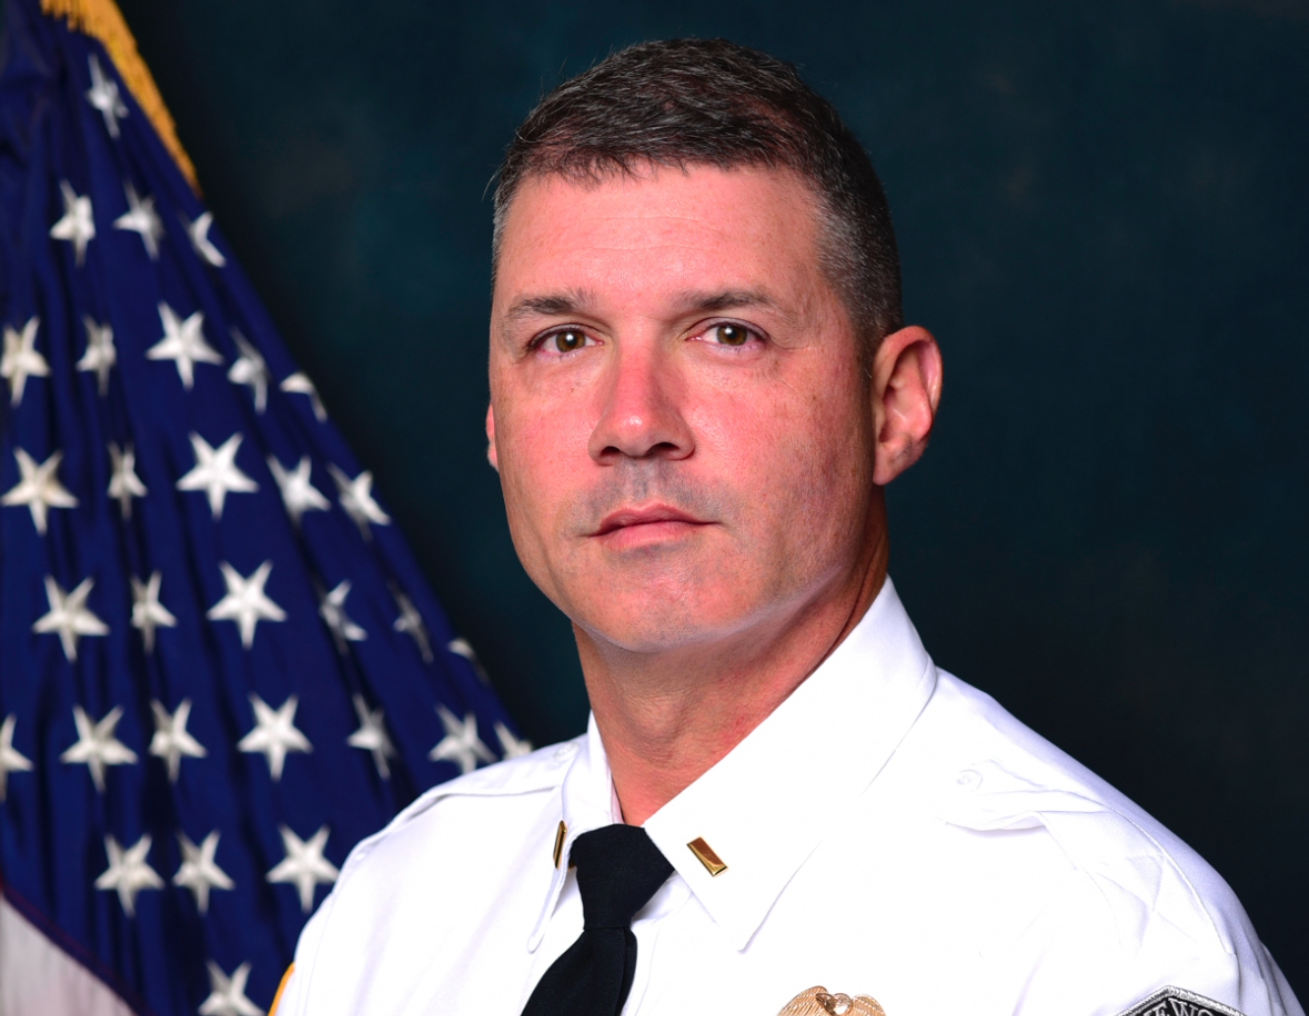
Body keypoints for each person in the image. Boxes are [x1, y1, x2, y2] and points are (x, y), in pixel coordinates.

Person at [272, 38, 1302, 1016]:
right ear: (495, 423)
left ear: (891, 403)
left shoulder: (1097, 946)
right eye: (564, 339)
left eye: (728, 333)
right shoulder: (393, 912)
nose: (632, 422)